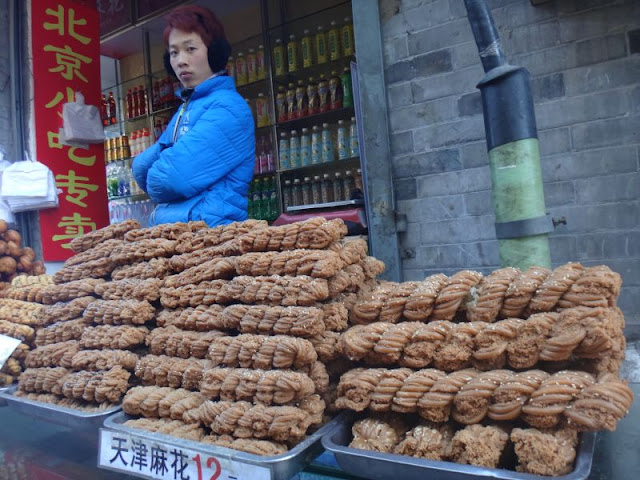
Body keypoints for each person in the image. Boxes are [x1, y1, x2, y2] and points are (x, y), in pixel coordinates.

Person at [133, 6, 255, 227]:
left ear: (215, 52)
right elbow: (140, 168)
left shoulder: (229, 108)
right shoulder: (186, 107)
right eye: (173, 52)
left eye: (190, 49)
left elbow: (169, 178)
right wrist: (164, 157)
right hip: (180, 237)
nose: (180, 60)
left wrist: (162, 159)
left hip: (213, 238)